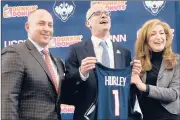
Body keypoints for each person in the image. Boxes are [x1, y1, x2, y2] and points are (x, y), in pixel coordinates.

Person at [61, 4, 142, 120]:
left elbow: (128, 93)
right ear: (88, 23)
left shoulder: (125, 53)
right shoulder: (76, 50)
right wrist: (81, 73)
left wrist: (134, 78)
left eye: (107, 13)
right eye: (97, 13)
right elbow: (67, 91)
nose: (104, 15)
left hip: (118, 116)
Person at [1, 9, 65, 120]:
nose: (46, 29)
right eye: (41, 23)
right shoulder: (15, 53)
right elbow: (6, 99)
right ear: (27, 27)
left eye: (50, 25)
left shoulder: (57, 61)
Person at [131, 19, 180, 120]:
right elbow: (132, 94)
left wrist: (143, 86)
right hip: (144, 116)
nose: (159, 37)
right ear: (145, 40)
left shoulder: (176, 61)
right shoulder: (136, 62)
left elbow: (173, 94)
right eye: (153, 34)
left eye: (161, 33)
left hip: (169, 116)